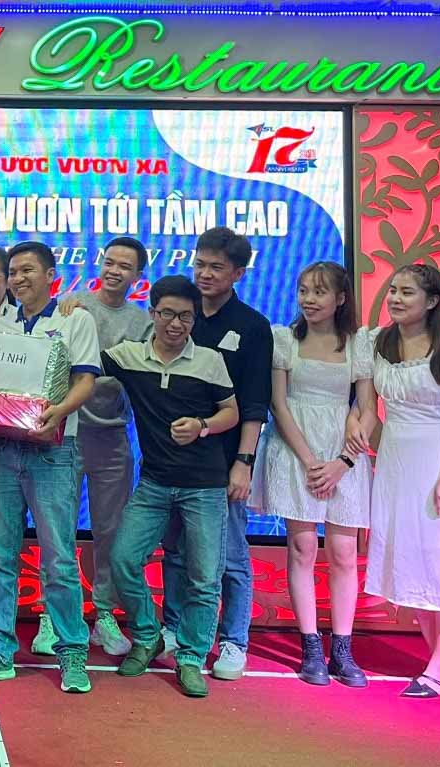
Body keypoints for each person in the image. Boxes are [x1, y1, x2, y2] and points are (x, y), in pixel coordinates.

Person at [0, 241, 101, 696]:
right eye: (14, 272)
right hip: (2, 450)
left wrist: (59, 412)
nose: (18, 279)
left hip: (54, 452)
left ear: (50, 274)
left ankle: (72, 651)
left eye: (27, 271)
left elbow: (85, 381)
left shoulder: (75, 320)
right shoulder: (0, 325)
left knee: (59, 557)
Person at [349, 263, 440, 698]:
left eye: (407, 292)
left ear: (431, 301)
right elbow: (367, 408)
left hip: (436, 462)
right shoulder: (376, 343)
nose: (395, 298)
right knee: (412, 566)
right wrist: (355, 425)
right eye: (393, 290)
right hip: (395, 463)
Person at [103, 275, 239, 698]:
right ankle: (148, 635)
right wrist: (73, 309)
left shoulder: (210, 361)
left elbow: (231, 412)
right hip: (155, 483)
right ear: (153, 313)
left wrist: (202, 426)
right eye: (167, 314)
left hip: (205, 486)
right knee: (123, 559)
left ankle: (192, 658)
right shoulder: (128, 356)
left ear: (194, 319)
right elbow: (82, 362)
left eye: (185, 316)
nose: (176, 324)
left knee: (205, 577)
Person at [249, 262, 370, 687]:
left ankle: (343, 649)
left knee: (343, 553)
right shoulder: (284, 339)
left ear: (340, 298)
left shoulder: (359, 343)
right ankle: (311, 647)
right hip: (294, 451)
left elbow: (368, 409)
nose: (309, 299)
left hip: (343, 456)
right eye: (303, 290)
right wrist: (309, 461)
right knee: (301, 548)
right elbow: (278, 405)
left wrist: (341, 463)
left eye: (319, 292)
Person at [160, 227, 272, 682]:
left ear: (238, 273)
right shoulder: (182, 317)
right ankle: (173, 629)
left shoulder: (252, 326)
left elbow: (256, 403)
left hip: (224, 460)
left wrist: (243, 463)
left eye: (216, 268)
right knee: (175, 550)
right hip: (174, 457)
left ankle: (233, 640)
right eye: (200, 265)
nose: (205, 274)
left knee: (230, 554)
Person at [70, 236, 151, 659]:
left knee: (110, 530)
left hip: (114, 438)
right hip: (68, 433)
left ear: (138, 276)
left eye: (125, 266)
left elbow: (138, 377)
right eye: (110, 262)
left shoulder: (143, 323)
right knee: (59, 527)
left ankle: (104, 613)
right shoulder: (73, 306)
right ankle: (56, 613)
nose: (115, 271)